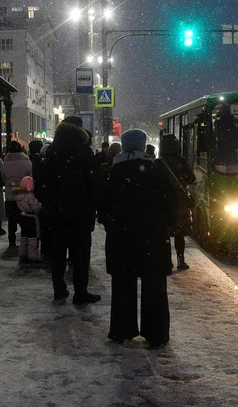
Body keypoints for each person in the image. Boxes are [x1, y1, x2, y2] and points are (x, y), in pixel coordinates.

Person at [99, 129, 176, 347]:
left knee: (123, 284)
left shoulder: (113, 172)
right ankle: (156, 333)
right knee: (155, 286)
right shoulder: (157, 170)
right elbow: (172, 203)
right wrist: (165, 224)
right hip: (154, 236)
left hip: (122, 238)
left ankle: (122, 329)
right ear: (143, 146)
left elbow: (102, 208)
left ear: (123, 146)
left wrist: (113, 223)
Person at [39, 120, 101, 304]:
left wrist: (49, 204)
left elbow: (42, 184)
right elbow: (93, 183)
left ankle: (59, 289)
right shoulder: (84, 153)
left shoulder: (51, 153)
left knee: (58, 254)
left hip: (56, 213)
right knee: (81, 254)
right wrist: (92, 206)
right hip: (80, 212)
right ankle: (80, 292)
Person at [157, 134, 196, 271]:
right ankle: (181, 260)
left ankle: (167, 261)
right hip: (180, 202)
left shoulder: (159, 163)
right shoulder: (182, 162)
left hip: (163, 202)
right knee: (179, 234)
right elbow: (192, 179)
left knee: (165, 233)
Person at [2, 141, 32, 248]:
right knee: (24, 218)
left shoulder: (5, 163)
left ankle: (11, 240)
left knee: (12, 219)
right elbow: (31, 177)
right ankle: (24, 239)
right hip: (23, 194)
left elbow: (3, 179)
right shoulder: (27, 163)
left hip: (10, 194)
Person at [14, 176, 43, 263]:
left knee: (24, 236)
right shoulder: (30, 195)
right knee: (33, 237)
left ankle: (23, 254)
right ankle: (33, 256)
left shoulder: (18, 195)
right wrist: (40, 205)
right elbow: (35, 207)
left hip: (23, 217)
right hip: (31, 218)